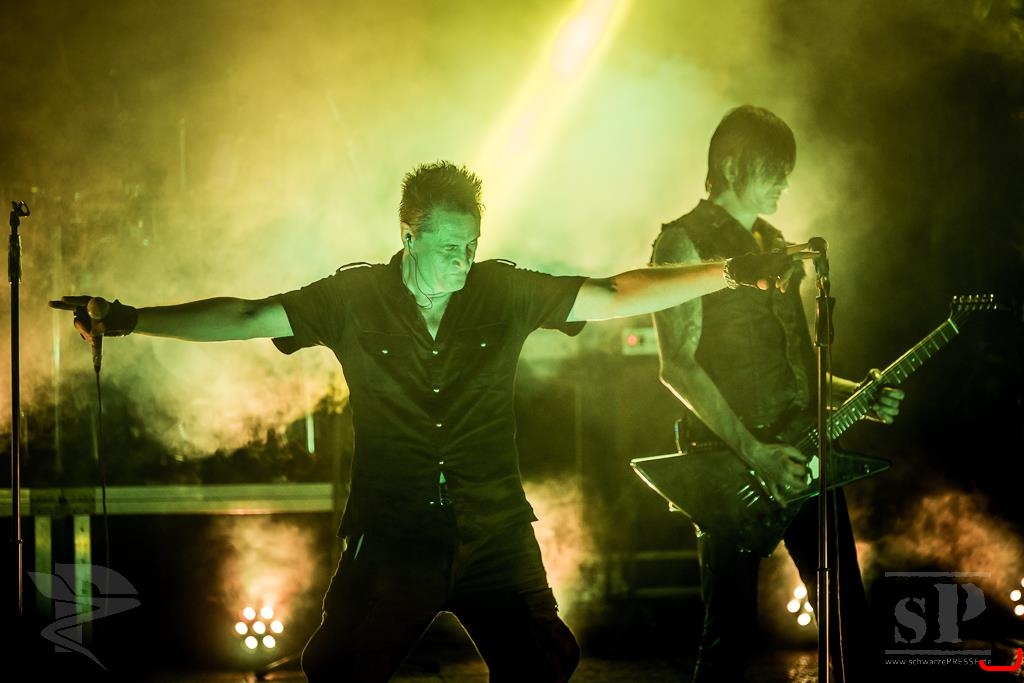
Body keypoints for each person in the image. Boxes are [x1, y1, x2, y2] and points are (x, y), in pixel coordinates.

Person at [50, 160, 793, 683]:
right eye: (447, 248)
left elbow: (613, 292)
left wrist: (729, 272)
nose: (464, 262)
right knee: (342, 671)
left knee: (542, 665)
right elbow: (246, 315)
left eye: (471, 246)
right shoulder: (353, 299)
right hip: (393, 531)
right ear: (408, 235)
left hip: (495, 531)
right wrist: (133, 319)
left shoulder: (500, 291)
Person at [648, 107, 906, 683]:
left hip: (802, 454)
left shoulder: (780, 247)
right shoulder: (682, 242)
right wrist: (754, 452)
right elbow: (677, 367)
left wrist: (859, 393)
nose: (785, 181)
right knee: (729, 633)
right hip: (729, 466)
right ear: (732, 165)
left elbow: (800, 370)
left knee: (848, 618)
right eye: (774, 167)